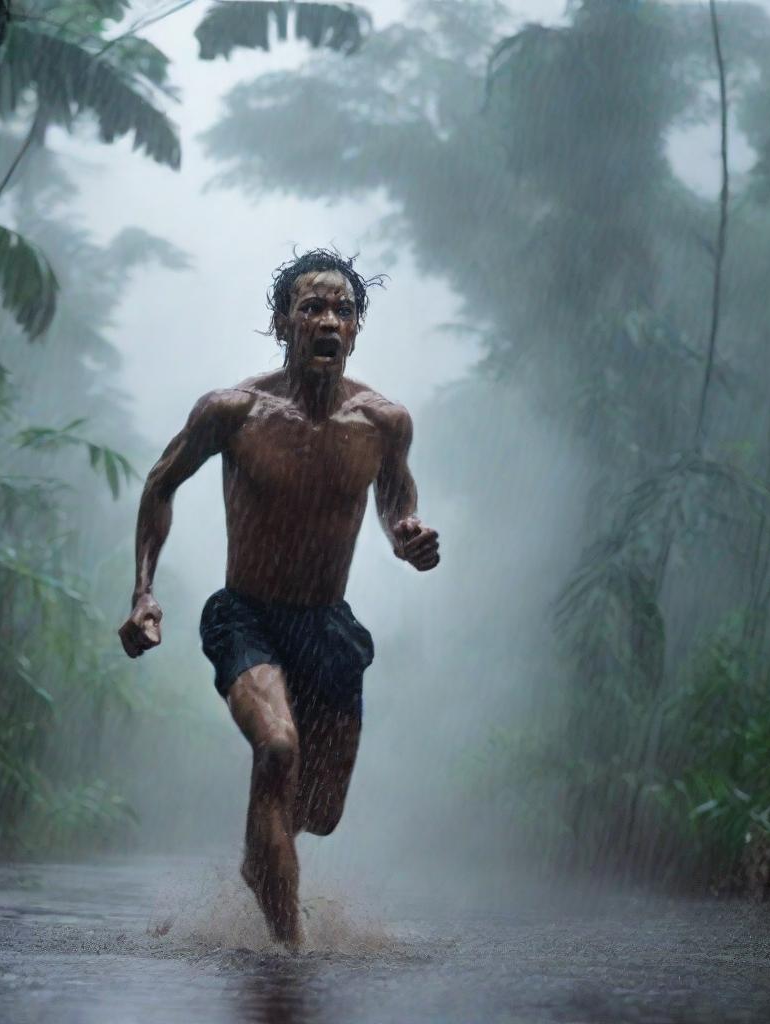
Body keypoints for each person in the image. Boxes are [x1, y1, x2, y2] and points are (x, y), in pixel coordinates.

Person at [118, 250, 440, 947]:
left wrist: (405, 533)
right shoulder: (234, 411)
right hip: (248, 616)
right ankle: (287, 956)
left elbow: (395, 501)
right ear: (282, 323)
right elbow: (160, 482)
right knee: (277, 749)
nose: (328, 319)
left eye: (342, 310)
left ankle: (261, 859)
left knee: (319, 812)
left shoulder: (383, 423)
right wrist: (143, 592)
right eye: (311, 307)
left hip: (326, 626)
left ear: (356, 330)